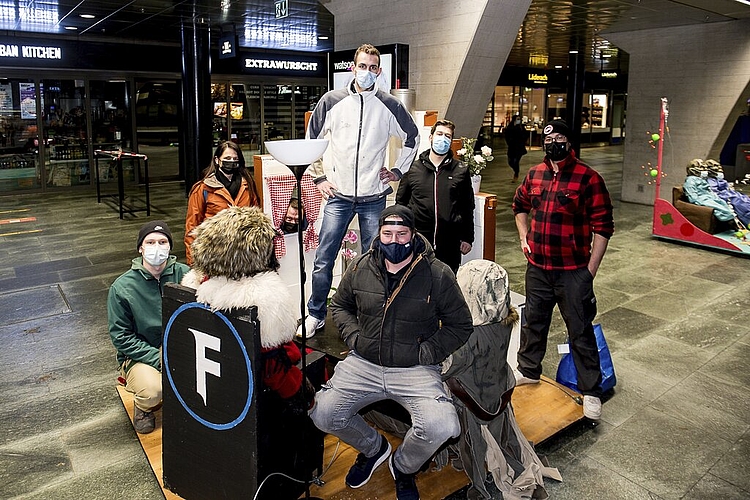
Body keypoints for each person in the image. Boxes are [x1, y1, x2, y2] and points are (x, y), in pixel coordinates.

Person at [310, 205, 473, 500]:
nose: (394, 241)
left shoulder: (437, 274)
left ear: (413, 234)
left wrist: (426, 352)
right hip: (364, 362)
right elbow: (340, 306)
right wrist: (355, 338)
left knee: (443, 425)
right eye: (388, 233)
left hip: (415, 368)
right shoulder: (360, 267)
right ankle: (374, 449)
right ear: (379, 234)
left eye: (402, 233)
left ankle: (403, 466)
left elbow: (460, 325)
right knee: (323, 412)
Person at [181, 206, 319, 499]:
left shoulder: (194, 284)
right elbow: (273, 361)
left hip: (210, 388)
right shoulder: (266, 298)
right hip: (253, 391)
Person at [300, 43, 420, 338]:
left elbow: (412, 137)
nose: (367, 72)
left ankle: (370, 317)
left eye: (372, 67)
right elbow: (311, 139)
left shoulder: (389, 104)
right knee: (323, 259)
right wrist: (319, 178)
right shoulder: (332, 100)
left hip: (373, 198)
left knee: (374, 261)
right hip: (337, 196)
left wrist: (397, 171)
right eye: (362, 66)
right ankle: (315, 313)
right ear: (352, 68)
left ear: (379, 71)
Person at [512, 119, 614, 421]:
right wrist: (523, 237)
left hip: (573, 271)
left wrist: (589, 271)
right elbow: (519, 205)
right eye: (548, 137)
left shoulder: (588, 178)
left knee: (580, 331)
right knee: (533, 322)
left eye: (558, 137)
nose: (552, 142)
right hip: (539, 268)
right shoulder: (536, 174)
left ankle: (591, 391)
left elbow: (603, 227)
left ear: (569, 142)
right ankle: (529, 370)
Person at [442, 259, 561, 499]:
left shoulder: (466, 339)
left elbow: (441, 369)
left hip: (469, 405)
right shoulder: (503, 322)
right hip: (495, 398)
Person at [107, 220, 189, 434]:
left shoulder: (187, 276)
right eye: (150, 242)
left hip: (182, 348)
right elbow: (121, 337)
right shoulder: (122, 288)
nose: (157, 247)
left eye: (163, 241)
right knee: (154, 391)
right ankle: (143, 407)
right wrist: (158, 359)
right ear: (140, 248)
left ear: (170, 247)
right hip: (143, 355)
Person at [396, 119, 474, 273]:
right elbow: (401, 204)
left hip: (450, 243)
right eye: (439, 134)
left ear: (451, 141)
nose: (443, 138)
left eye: (448, 136)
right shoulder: (413, 168)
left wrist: (467, 237)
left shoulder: (461, 170)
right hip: (418, 241)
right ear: (431, 137)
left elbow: (467, 205)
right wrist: (401, 234)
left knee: (446, 288)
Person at [184, 140, 260, 265]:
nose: (231, 162)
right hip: (214, 254)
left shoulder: (248, 185)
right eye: (227, 158)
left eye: (235, 158)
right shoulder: (203, 188)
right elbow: (192, 227)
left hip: (244, 254)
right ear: (217, 160)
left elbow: (256, 218)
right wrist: (193, 263)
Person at [504, 115, 527, 181]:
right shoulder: (510, 127)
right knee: (510, 161)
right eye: (517, 119)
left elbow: (525, 135)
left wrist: (522, 141)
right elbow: (507, 135)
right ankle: (515, 171)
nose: (518, 120)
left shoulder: (521, 127)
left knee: (516, 161)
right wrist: (509, 142)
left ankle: (516, 174)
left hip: (519, 148)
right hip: (511, 147)